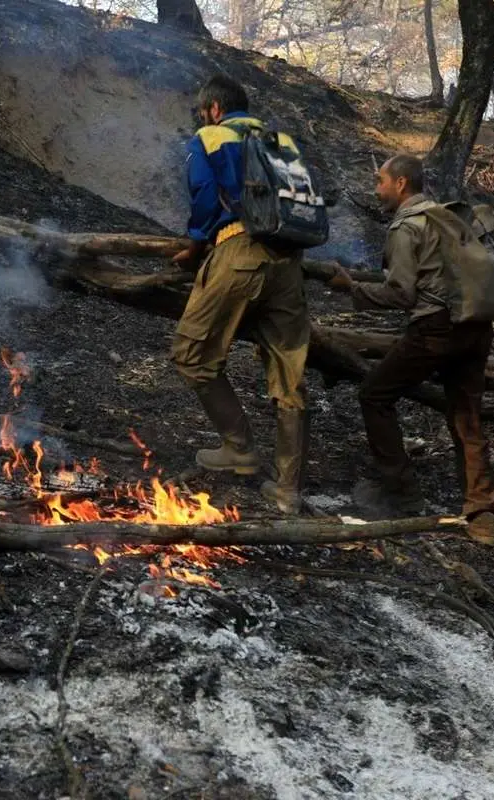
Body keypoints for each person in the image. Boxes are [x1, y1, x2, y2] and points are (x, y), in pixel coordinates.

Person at [327, 155, 494, 545]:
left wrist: (352, 289)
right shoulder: (446, 217)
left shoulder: (406, 227)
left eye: (380, 181)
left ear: (401, 183)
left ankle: (402, 492)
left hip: (436, 329)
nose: (376, 189)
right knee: (466, 418)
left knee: (374, 394)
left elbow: (401, 293)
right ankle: (483, 516)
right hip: (476, 326)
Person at [169, 74, 312, 514]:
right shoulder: (282, 140)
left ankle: (239, 447)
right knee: (290, 381)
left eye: (201, 110)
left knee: (191, 354)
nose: (201, 117)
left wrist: (194, 247)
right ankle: (288, 488)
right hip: (289, 264)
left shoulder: (210, 136)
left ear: (213, 108)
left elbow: (205, 198)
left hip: (239, 252)